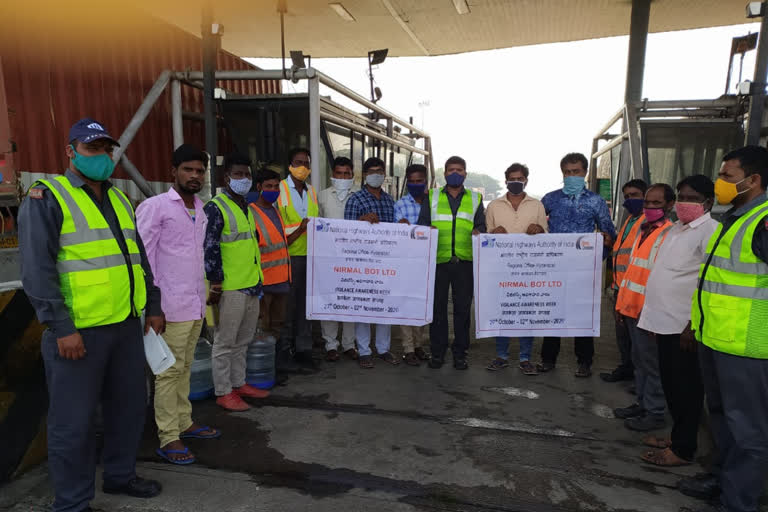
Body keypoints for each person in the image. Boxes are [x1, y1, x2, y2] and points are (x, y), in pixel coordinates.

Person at [18, 118, 163, 511]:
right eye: (91, 148)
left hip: (125, 328)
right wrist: (61, 327)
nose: (101, 156)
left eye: (106, 149)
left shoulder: (120, 199)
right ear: (71, 151)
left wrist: (152, 305)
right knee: (73, 424)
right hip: (78, 334)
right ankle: (72, 502)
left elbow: (138, 258)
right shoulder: (47, 196)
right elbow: (37, 270)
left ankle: (119, 476)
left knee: (129, 410)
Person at [680, 146, 768, 512]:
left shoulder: (763, 220)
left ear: (754, 179)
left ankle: (738, 503)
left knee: (747, 432)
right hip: (717, 338)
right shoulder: (735, 216)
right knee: (719, 418)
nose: (721, 183)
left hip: (747, 345)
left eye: (728, 176)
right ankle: (719, 481)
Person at [136, 144, 221, 465]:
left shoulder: (201, 208)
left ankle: (184, 421)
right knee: (167, 373)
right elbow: (143, 260)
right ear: (173, 171)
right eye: (188, 169)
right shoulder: (155, 207)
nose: (195, 175)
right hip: (167, 308)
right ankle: (168, 436)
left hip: (195, 304)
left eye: (200, 171)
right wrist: (152, 308)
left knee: (184, 368)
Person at [634, 175, 717, 467]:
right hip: (663, 322)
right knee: (671, 385)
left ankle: (683, 450)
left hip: (684, 328)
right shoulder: (677, 230)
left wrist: (693, 325)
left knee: (686, 389)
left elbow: (709, 284)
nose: (684, 203)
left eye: (692, 198)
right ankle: (679, 435)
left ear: (708, 202)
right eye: (681, 196)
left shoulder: (710, 231)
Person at [538, 152, 616, 377]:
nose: (572, 176)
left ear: (585, 173)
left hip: (583, 269)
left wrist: (596, 256)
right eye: (567, 172)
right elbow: (537, 226)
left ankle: (584, 362)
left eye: (576, 172)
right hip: (554, 266)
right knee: (552, 311)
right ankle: (548, 359)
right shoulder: (550, 199)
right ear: (562, 173)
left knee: (582, 313)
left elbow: (607, 232)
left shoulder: (596, 201)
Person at [204, 153, 269, 412]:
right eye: (238, 174)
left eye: (247, 174)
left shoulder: (245, 206)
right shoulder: (216, 207)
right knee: (225, 341)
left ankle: (239, 383)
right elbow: (210, 248)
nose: (244, 179)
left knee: (244, 340)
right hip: (230, 287)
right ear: (226, 177)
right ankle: (223, 391)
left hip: (251, 283)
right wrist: (216, 285)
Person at [613, 184, 675, 432]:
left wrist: (654, 313)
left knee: (652, 365)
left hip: (649, 313)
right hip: (631, 308)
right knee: (640, 362)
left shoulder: (669, 235)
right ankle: (643, 403)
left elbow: (664, 279)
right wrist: (621, 305)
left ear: (669, 205)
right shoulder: (643, 230)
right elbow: (632, 271)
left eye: (656, 203)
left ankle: (656, 412)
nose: (649, 207)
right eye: (647, 202)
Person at [417, 156, 486, 370]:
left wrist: (479, 231)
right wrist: (428, 231)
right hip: (438, 261)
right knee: (437, 309)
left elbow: (482, 225)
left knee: (462, 310)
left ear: (465, 173)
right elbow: (423, 224)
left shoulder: (475, 198)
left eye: (459, 169)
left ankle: (460, 353)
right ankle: (437, 353)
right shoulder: (432, 196)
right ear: (445, 173)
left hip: (465, 262)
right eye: (450, 169)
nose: (455, 173)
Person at [484, 163, 547, 375]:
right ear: (506, 181)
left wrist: (538, 229)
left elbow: (546, 236)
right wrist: (494, 232)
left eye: (520, 178)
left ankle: (525, 358)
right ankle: (501, 356)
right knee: (503, 311)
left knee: (526, 313)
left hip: (529, 269)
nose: (516, 182)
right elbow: (485, 239)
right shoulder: (493, 206)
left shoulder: (537, 206)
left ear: (526, 180)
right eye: (512, 179)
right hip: (501, 269)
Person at [345, 157, 398, 369]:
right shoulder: (355, 200)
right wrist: (361, 221)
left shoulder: (389, 200)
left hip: (385, 261)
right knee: (364, 305)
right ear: (365, 175)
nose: (376, 174)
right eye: (372, 171)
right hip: (363, 261)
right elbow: (346, 232)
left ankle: (383, 349)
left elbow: (395, 232)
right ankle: (364, 351)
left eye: (380, 171)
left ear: (384, 174)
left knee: (384, 305)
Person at [600, 179, 648, 383]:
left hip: (638, 292)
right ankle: (626, 368)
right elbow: (621, 252)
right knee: (623, 336)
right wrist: (609, 244)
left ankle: (639, 379)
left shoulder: (647, 223)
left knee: (639, 340)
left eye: (635, 195)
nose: (630, 199)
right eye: (627, 196)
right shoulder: (629, 220)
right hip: (621, 289)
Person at [277, 147, 319, 367]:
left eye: (306, 162)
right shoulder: (280, 189)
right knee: (287, 308)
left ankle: (304, 350)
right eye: (297, 162)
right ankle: (284, 352)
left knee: (306, 307)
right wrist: (300, 230)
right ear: (289, 165)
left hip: (310, 258)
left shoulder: (311, 191)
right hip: (288, 258)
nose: (302, 167)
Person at [318, 156, 359, 362]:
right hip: (328, 258)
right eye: (338, 173)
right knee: (330, 300)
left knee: (350, 301)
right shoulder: (322, 196)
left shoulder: (359, 195)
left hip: (353, 258)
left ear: (352, 175)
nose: (342, 177)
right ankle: (330, 344)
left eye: (346, 174)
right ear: (332, 175)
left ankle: (349, 344)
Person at [249, 168, 291, 350]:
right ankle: (263, 370)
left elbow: (281, 243)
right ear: (259, 187)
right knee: (262, 328)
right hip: (264, 283)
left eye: (276, 187)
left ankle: (274, 366)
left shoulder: (276, 211)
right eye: (268, 186)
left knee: (277, 325)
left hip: (281, 280)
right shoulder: (251, 212)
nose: (273, 190)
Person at [394, 163, 432, 366]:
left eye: (420, 181)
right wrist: (399, 228)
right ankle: (408, 349)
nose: (416, 184)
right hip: (406, 261)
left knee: (421, 304)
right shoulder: (399, 205)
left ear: (426, 181)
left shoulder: (433, 203)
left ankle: (419, 345)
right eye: (412, 181)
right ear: (407, 182)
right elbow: (392, 234)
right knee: (406, 304)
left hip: (427, 261)